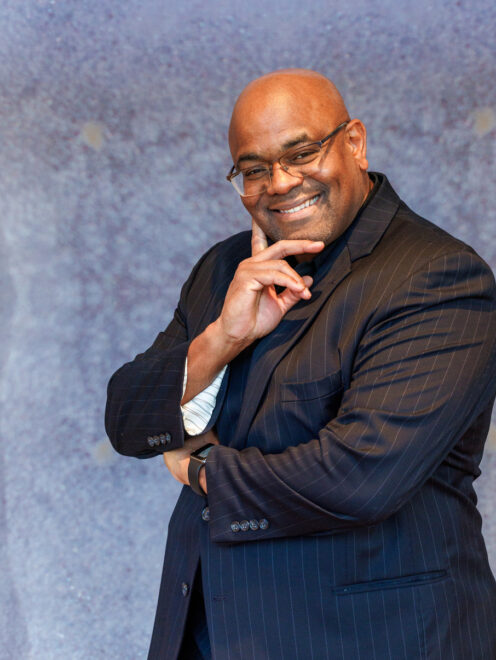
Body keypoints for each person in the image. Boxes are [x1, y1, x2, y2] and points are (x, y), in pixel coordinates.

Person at [105, 69, 496, 660]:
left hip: (369, 640)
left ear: (355, 143)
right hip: (211, 634)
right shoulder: (225, 269)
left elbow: (360, 477)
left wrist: (202, 468)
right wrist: (222, 339)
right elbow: (128, 421)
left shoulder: (436, 276)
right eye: (254, 168)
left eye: (302, 153)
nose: (280, 184)